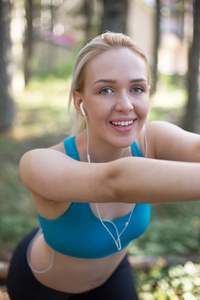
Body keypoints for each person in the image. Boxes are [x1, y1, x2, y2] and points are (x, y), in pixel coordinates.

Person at [7, 32, 200, 300]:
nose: (125, 105)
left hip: (112, 274)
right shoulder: (39, 162)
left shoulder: (152, 139)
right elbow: (115, 182)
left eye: (137, 88)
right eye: (105, 90)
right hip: (43, 287)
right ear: (80, 101)